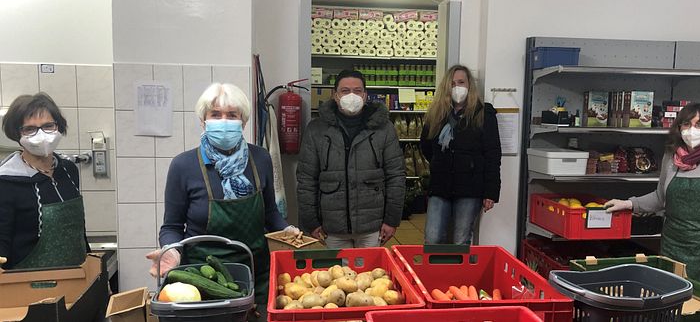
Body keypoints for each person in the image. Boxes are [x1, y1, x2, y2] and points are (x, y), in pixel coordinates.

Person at [148, 83, 296, 321]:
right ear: (203, 120)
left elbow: (270, 214)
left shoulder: (260, 159)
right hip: (203, 278)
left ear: (243, 122)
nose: (224, 121)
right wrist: (173, 251)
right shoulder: (183, 166)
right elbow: (172, 227)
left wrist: (287, 230)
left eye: (232, 115)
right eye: (215, 114)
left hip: (256, 276)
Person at [606, 103, 700, 299]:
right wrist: (629, 204)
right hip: (674, 252)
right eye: (686, 124)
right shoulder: (672, 158)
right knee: (673, 306)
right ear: (679, 128)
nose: (692, 130)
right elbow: (661, 198)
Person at [297, 70, 405, 248]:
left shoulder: (384, 129)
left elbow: (396, 176)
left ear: (365, 94)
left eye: (357, 91)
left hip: (372, 225)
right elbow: (306, 178)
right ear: (335, 95)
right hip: (331, 227)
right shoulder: (316, 129)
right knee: (337, 275)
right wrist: (311, 222)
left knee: (370, 275)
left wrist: (392, 220)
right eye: (345, 91)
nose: (352, 96)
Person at [0, 93, 88, 269]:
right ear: (17, 134)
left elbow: (78, 231)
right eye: (29, 129)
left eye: (48, 126)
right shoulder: (6, 182)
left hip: (75, 276)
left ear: (58, 127)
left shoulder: (68, 170)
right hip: (25, 284)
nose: (41, 135)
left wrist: (95, 271)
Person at [420, 65, 501, 245]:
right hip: (440, 186)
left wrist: (491, 192)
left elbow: (492, 154)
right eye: (452, 83)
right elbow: (425, 146)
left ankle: (459, 274)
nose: (456, 87)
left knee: (461, 239)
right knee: (432, 237)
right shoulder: (436, 114)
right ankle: (433, 273)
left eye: (461, 82)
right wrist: (439, 164)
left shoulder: (483, 114)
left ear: (470, 85)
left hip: (470, 188)